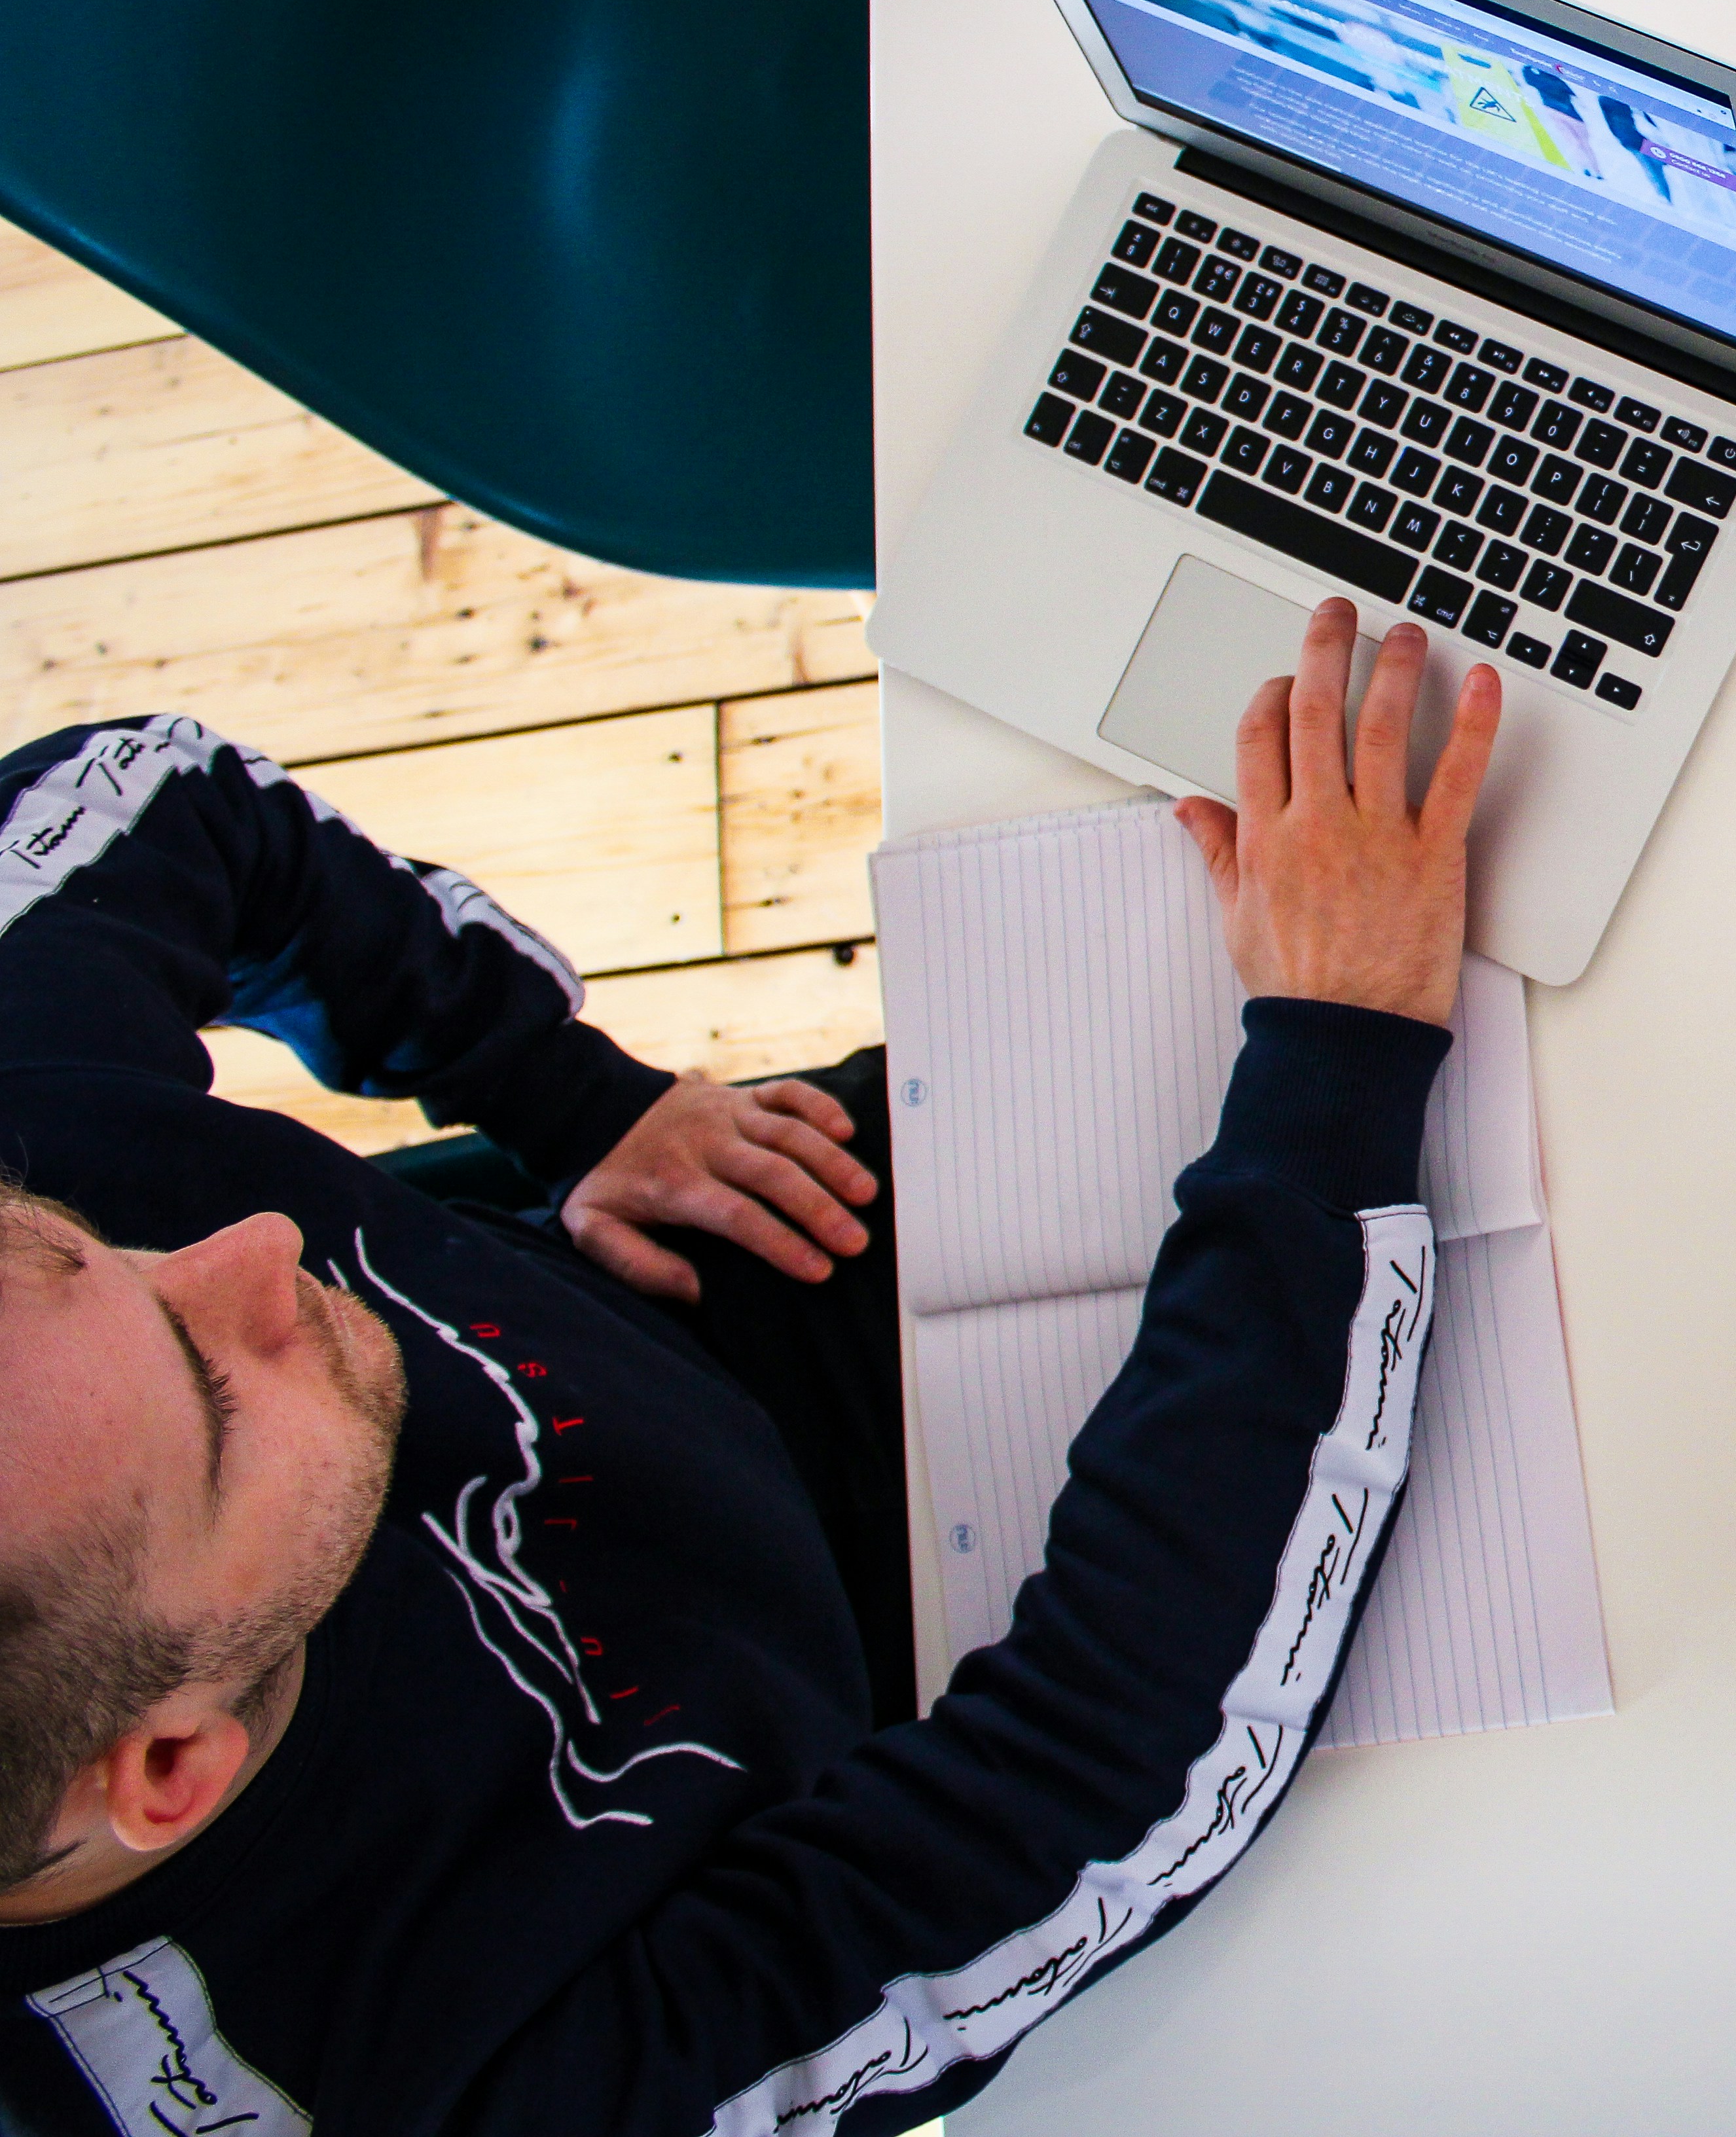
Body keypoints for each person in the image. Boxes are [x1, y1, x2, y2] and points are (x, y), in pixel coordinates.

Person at [0, 602, 1492, 2136]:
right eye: (212, 1391)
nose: (253, 1244)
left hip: (743, 1300)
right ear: (172, 1761)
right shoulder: (435, 2090)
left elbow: (141, 798)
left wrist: (558, 1090)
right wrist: (1336, 1047)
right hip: (953, 1705)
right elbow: (1097, 1777)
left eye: (85, 1248)